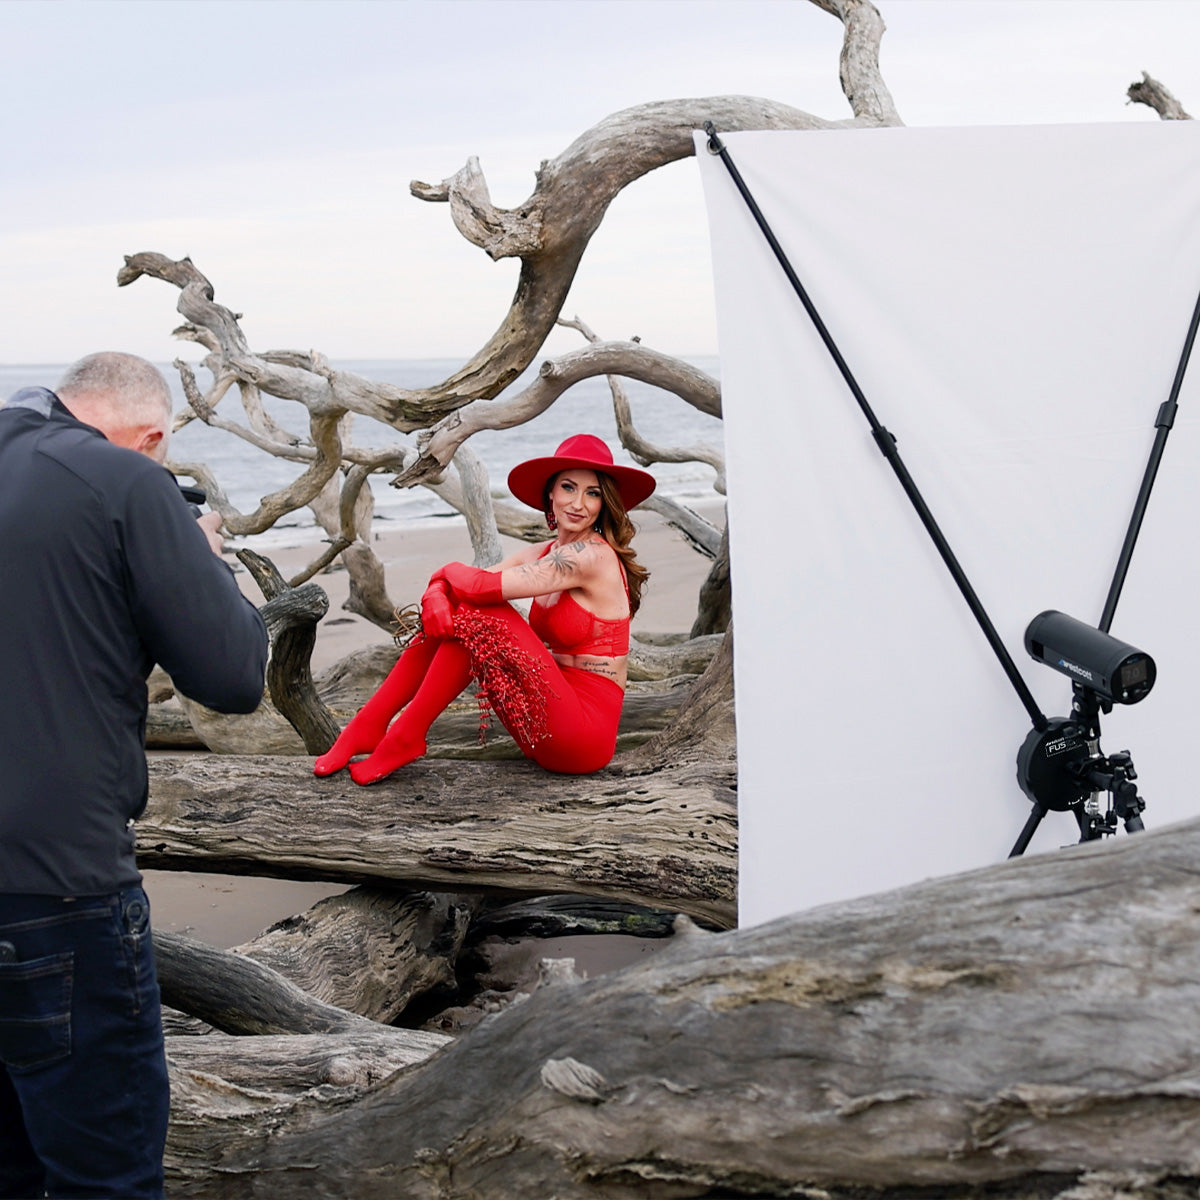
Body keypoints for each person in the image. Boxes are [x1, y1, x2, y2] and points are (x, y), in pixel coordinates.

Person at [0, 353, 269, 1199]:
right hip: (54, 883)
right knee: (102, 1177)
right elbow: (230, 675)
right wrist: (204, 557)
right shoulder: (124, 479)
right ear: (151, 436)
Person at [314, 433, 656, 784]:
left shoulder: (593, 557)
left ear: (605, 503)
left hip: (582, 739)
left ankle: (404, 735)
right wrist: (436, 592)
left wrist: (441, 577)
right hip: (539, 725)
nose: (578, 503)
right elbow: (471, 584)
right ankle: (369, 725)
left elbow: (481, 587)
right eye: (569, 488)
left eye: (593, 493)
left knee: (481, 610)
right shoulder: (544, 552)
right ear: (550, 493)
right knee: (463, 608)